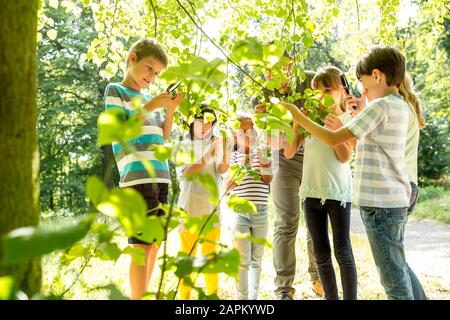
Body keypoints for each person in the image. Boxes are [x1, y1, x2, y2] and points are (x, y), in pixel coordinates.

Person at [281, 45, 420, 300]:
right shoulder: (394, 105)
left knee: (391, 277)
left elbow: (338, 144)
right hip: (383, 200)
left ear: (376, 75)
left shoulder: (377, 108)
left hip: (376, 202)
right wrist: (298, 123)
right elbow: (292, 151)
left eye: (362, 82)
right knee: (397, 268)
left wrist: (299, 117)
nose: (360, 88)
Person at [103, 38, 183, 299]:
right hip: (136, 179)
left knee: (154, 245)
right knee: (141, 246)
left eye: (157, 73)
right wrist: (151, 105)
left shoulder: (152, 99)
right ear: (132, 58)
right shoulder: (115, 90)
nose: (152, 76)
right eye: (149, 68)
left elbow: (164, 136)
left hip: (160, 177)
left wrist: (169, 109)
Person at [254, 60, 323, 299]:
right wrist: (266, 122)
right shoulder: (263, 96)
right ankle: (284, 287)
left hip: (316, 157)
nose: (273, 74)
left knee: (316, 219)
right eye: (267, 70)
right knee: (286, 221)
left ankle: (318, 277)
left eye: (279, 67)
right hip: (285, 159)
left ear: (291, 63)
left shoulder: (311, 81)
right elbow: (273, 143)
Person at [288, 66, 357, 300]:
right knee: (320, 254)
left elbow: (345, 156)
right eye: (317, 90)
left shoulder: (349, 119)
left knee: (343, 252)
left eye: (328, 89)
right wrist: (298, 123)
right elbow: (288, 152)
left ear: (341, 91)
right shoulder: (310, 120)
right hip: (310, 194)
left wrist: (333, 128)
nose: (322, 95)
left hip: (338, 194)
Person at [177, 107, 229, 299]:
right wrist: (210, 153)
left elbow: (223, 169)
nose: (207, 125)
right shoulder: (184, 143)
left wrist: (225, 148)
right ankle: (184, 300)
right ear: (192, 120)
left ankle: (212, 297)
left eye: (211, 122)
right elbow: (186, 171)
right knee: (187, 258)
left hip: (211, 209)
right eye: (203, 120)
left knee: (210, 259)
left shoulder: (215, 142)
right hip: (188, 208)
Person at [223, 113, 273, 300]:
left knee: (256, 260)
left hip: (260, 211)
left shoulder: (262, 153)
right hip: (239, 213)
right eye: (241, 131)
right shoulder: (232, 157)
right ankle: (242, 299)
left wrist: (262, 163)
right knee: (243, 260)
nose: (246, 134)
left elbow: (267, 179)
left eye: (250, 130)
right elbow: (228, 186)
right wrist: (242, 165)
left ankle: (254, 299)